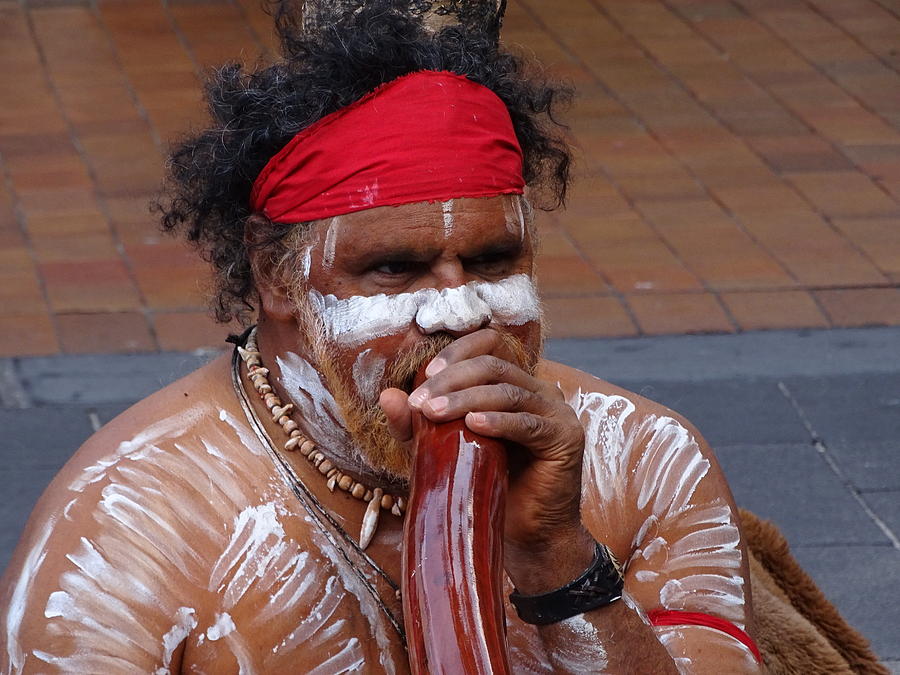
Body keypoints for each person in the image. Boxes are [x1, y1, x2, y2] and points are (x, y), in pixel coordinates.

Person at [1, 2, 763, 672]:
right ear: (276, 276)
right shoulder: (118, 538)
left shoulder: (648, 461)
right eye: (396, 268)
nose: (460, 312)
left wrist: (560, 560)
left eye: (494, 259)